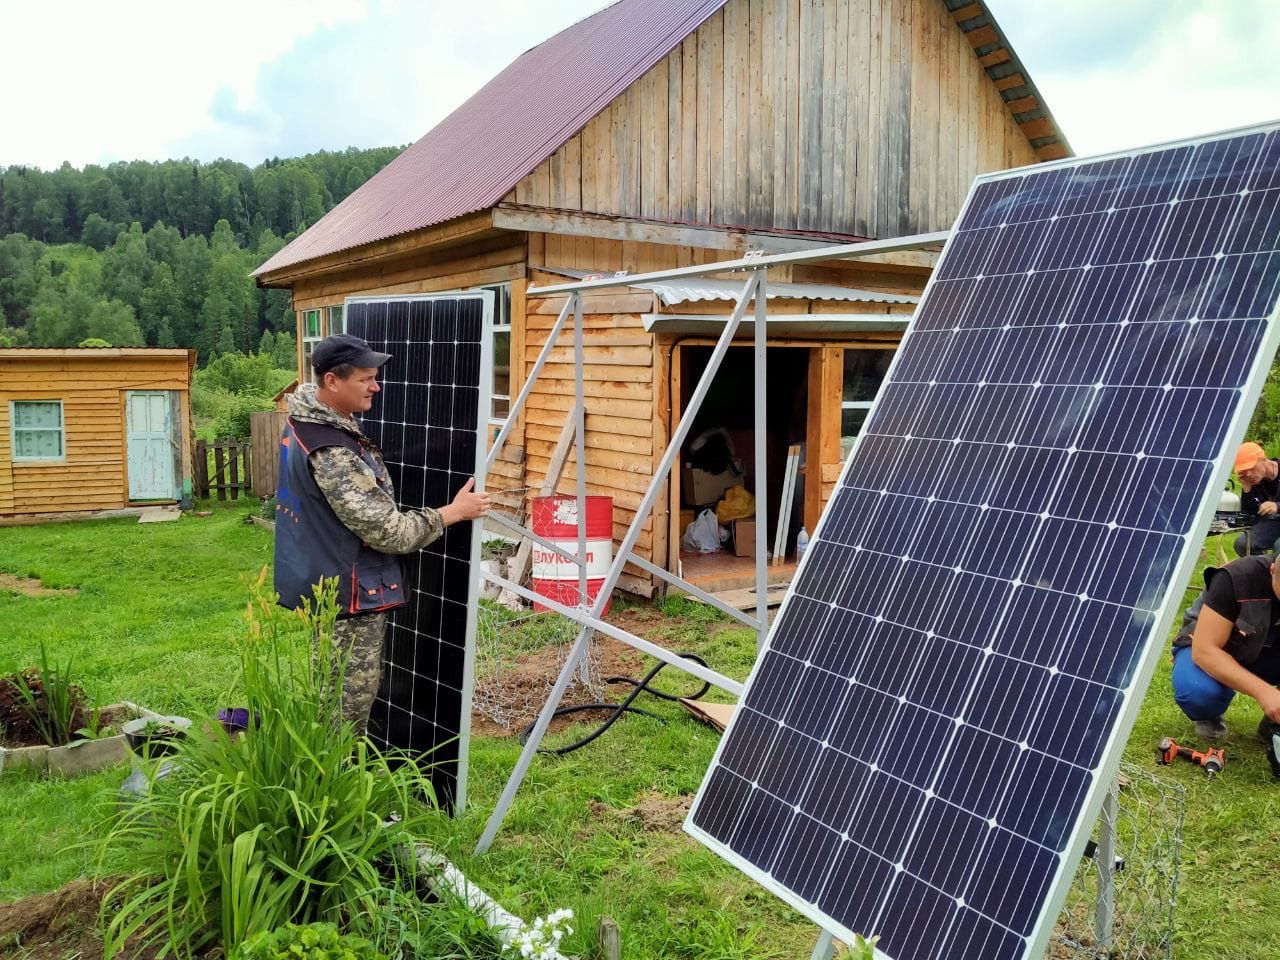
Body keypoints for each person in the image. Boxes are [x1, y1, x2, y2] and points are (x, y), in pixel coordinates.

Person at [273, 333, 490, 734]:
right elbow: (391, 533)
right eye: (365, 378)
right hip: (346, 592)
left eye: (375, 376)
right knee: (344, 706)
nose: (376, 386)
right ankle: (334, 786)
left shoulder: (306, 423)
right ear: (331, 382)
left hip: (325, 575)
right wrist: (453, 513)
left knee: (331, 691)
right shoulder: (331, 451)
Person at [1171, 552, 1280, 743]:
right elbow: (1205, 651)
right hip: (1215, 645)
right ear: (1272, 570)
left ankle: (1274, 725)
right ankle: (1210, 714)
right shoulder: (1238, 578)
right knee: (1198, 692)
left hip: (1270, 649)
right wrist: (1265, 693)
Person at [1232, 442, 1280, 557]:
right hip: (1274, 523)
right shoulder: (1253, 481)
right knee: (1243, 544)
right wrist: (1246, 487)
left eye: (1251, 468)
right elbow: (1251, 513)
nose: (1248, 474)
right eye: (1244, 471)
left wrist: (1277, 506)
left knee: (1279, 546)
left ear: (1263, 459)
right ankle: (1263, 571)